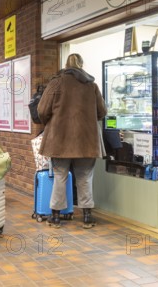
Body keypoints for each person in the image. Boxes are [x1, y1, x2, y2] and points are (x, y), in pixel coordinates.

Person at [37, 53, 107, 229]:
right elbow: (102, 111)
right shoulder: (92, 86)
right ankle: (87, 216)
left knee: (60, 176)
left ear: (66, 65)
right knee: (85, 177)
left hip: (60, 139)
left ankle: (55, 216)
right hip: (87, 139)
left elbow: (42, 109)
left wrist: (52, 122)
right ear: (82, 65)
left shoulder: (57, 83)